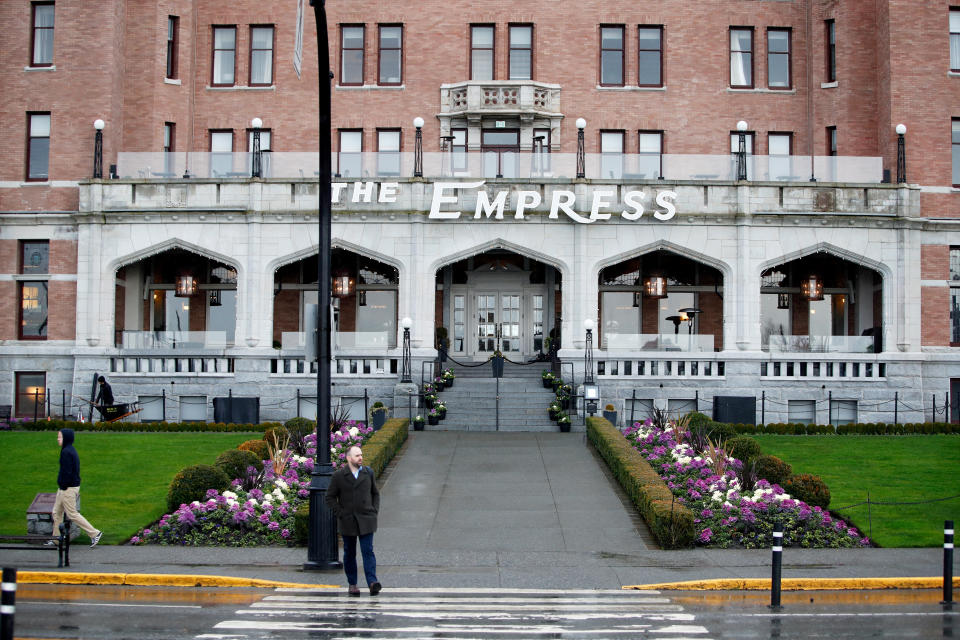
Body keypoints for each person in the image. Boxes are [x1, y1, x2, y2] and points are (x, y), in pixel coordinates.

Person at [325, 445, 381, 596]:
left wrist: (374, 510)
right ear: (349, 458)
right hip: (348, 520)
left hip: (367, 519)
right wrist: (341, 512)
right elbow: (329, 497)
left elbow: (375, 493)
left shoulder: (368, 473)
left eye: (361, 455)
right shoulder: (339, 476)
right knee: (349, 553)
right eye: (357, 455)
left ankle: (372, 582)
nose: (360, 458)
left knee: (367, 551)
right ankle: (353, 584)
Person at [50, 428, 103, 548]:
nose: (58, 439)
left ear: (66, 438)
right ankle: (56, 540)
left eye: (60, 437)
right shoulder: (69, 450)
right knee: (56, 512)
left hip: (68, 488)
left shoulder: (67, 452)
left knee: (72, 514)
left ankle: (95, 533)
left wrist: (63, 485)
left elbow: (67, 472)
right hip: (65, 487)